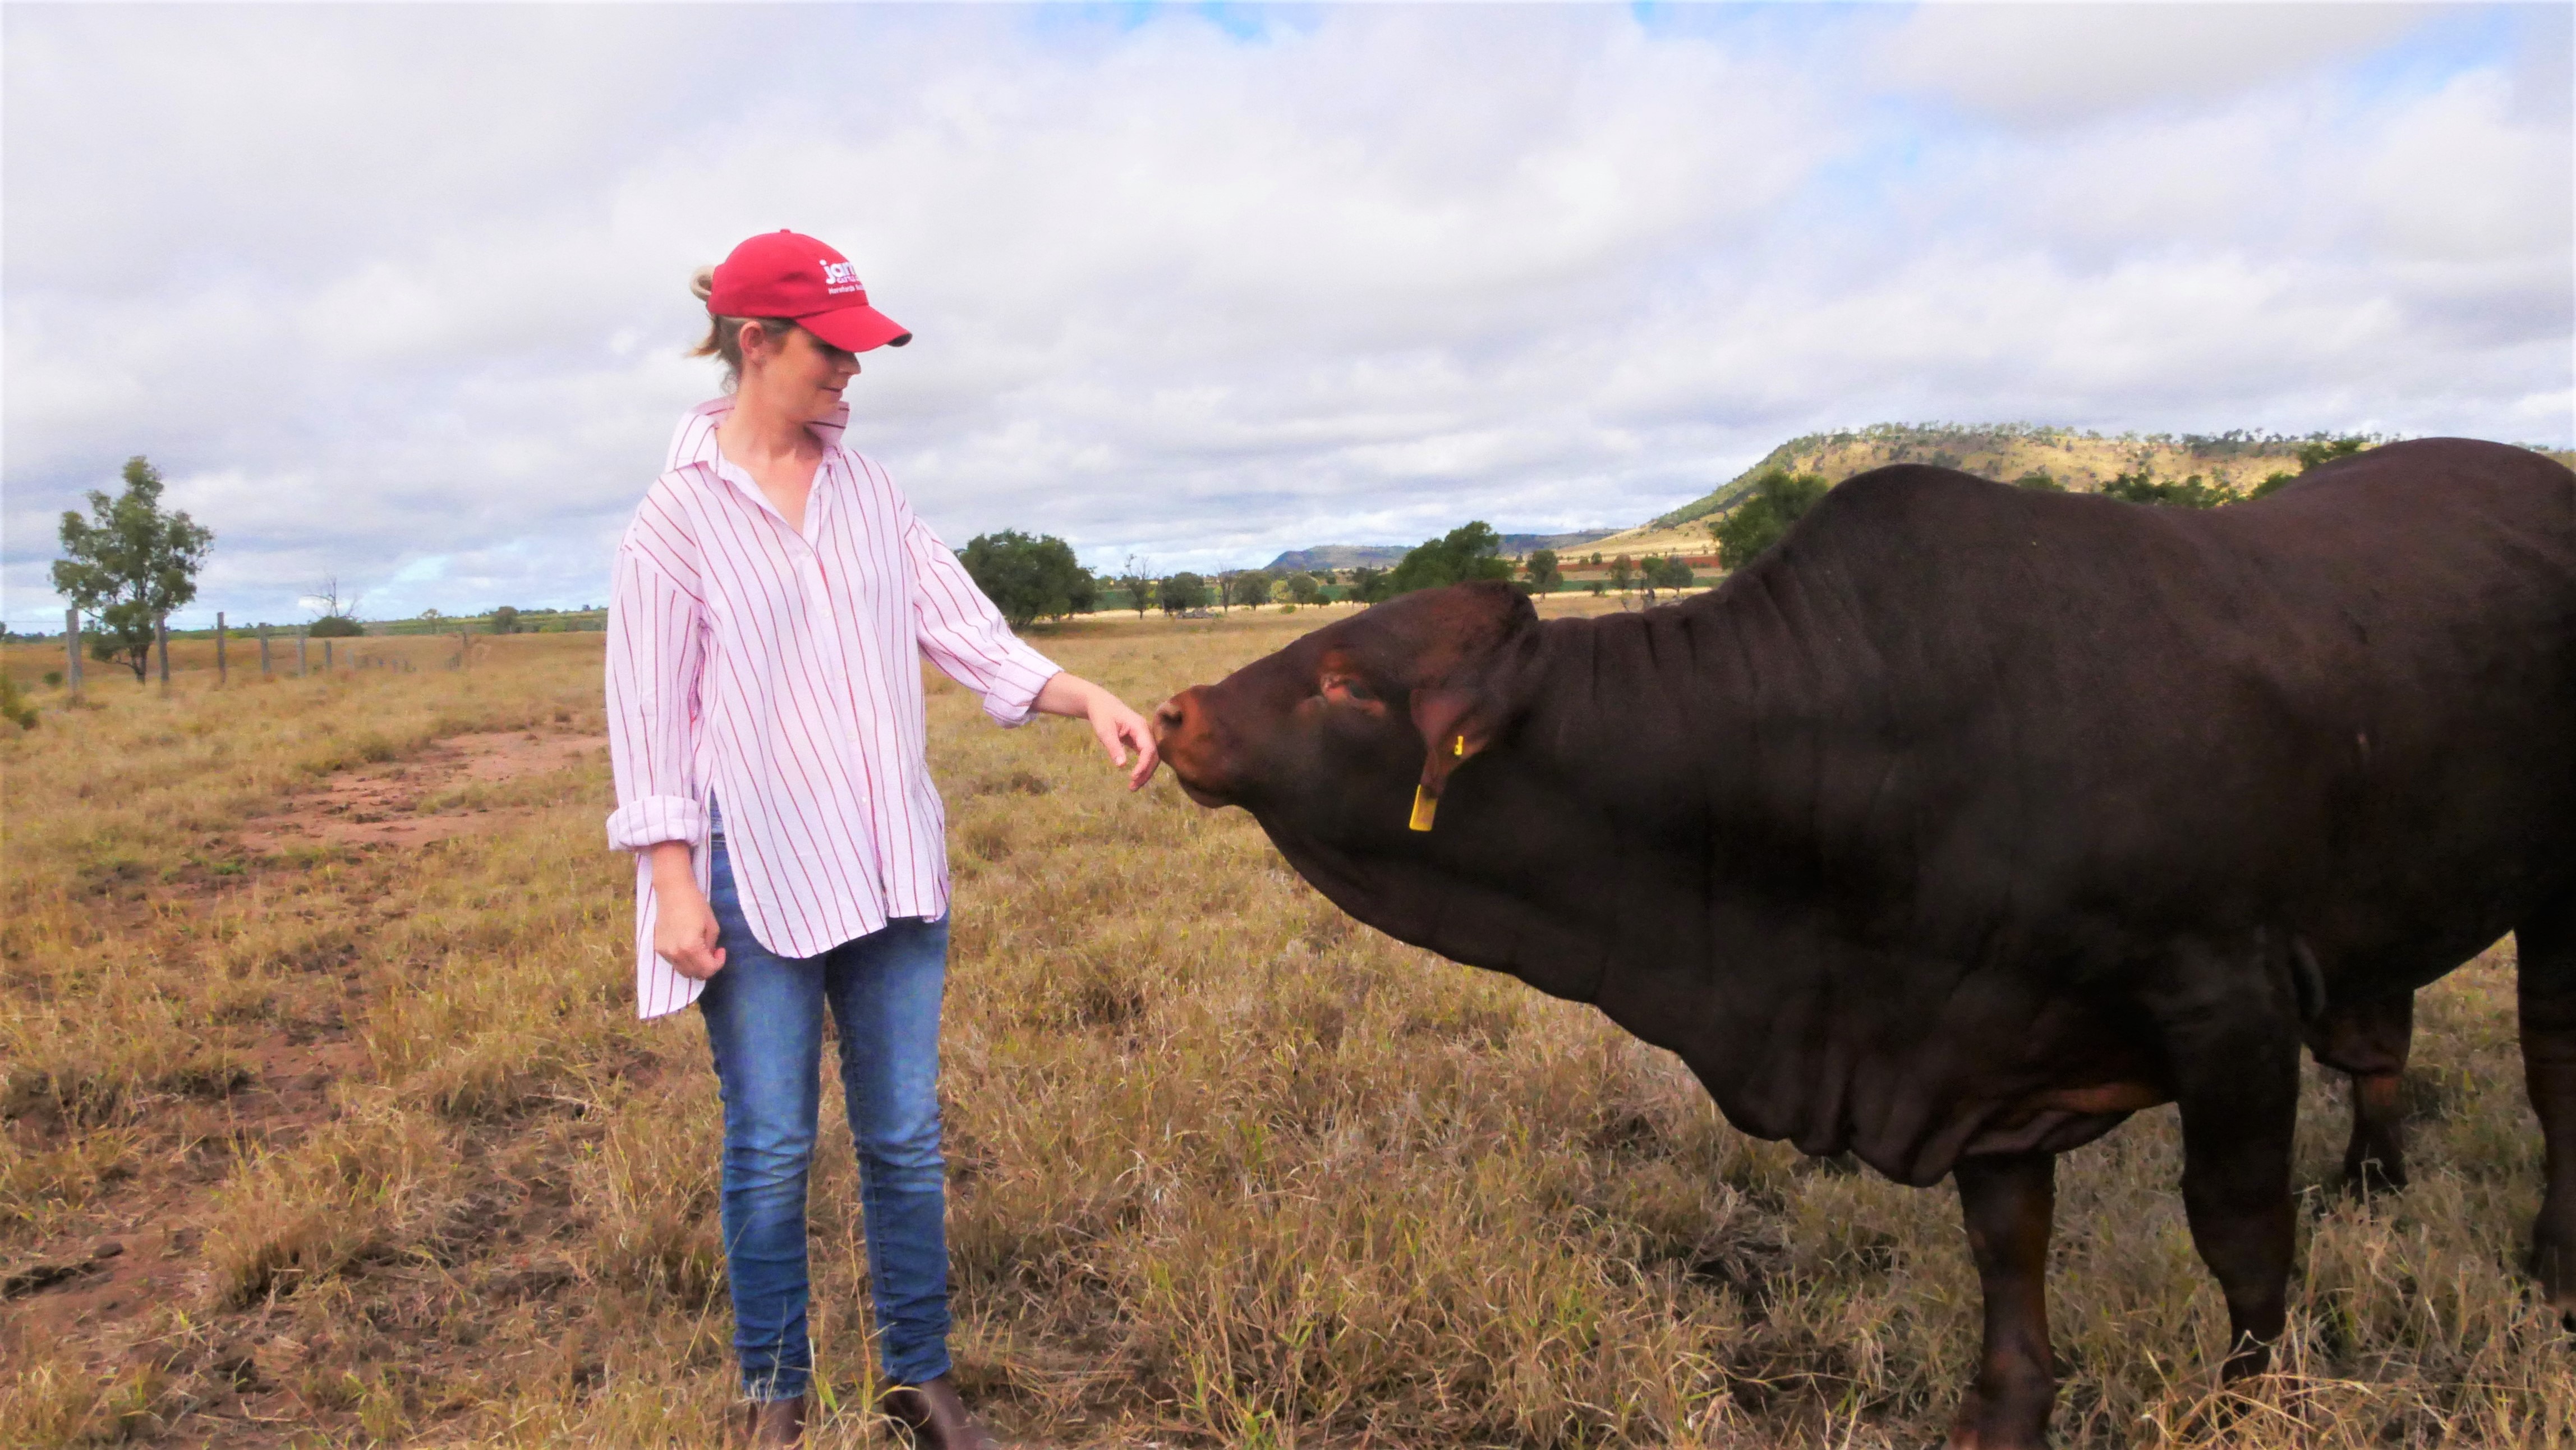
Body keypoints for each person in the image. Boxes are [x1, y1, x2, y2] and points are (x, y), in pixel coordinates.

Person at [605, 230, 1159, 1448]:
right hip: (757, 872)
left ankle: (919, 1375)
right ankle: (773, 1390)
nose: (852, 372)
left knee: (903, 1135)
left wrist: (1086, 697)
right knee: (771, 1143)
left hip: (892, 865)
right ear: (757, 343)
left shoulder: (870, 489)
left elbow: (963, 628)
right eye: (832, 349)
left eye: (860, 350)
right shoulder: (674, 519)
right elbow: (648, 717)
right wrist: (672, 881)